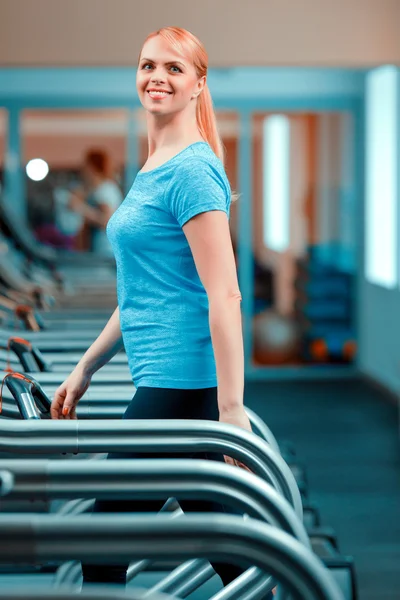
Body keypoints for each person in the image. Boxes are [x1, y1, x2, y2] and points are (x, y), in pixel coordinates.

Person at [51, 26, 274, 597]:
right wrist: (86, 367)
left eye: (175, 68)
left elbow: (224, 293)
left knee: (101, 544)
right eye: (149, 65)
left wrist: (232, 412)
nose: (158, 77)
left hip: (178, 385)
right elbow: (144, 295)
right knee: (228, 548)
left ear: (199, 84)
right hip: (169, 380)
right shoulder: (155, 167)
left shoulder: (192, 172)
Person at [68, 148, 123, 255]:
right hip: (96, 250)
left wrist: (80, 207)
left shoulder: (105, 189)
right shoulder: (97, 190)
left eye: (85, 166)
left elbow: (107, 221)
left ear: (92, 167)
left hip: (105, 252)